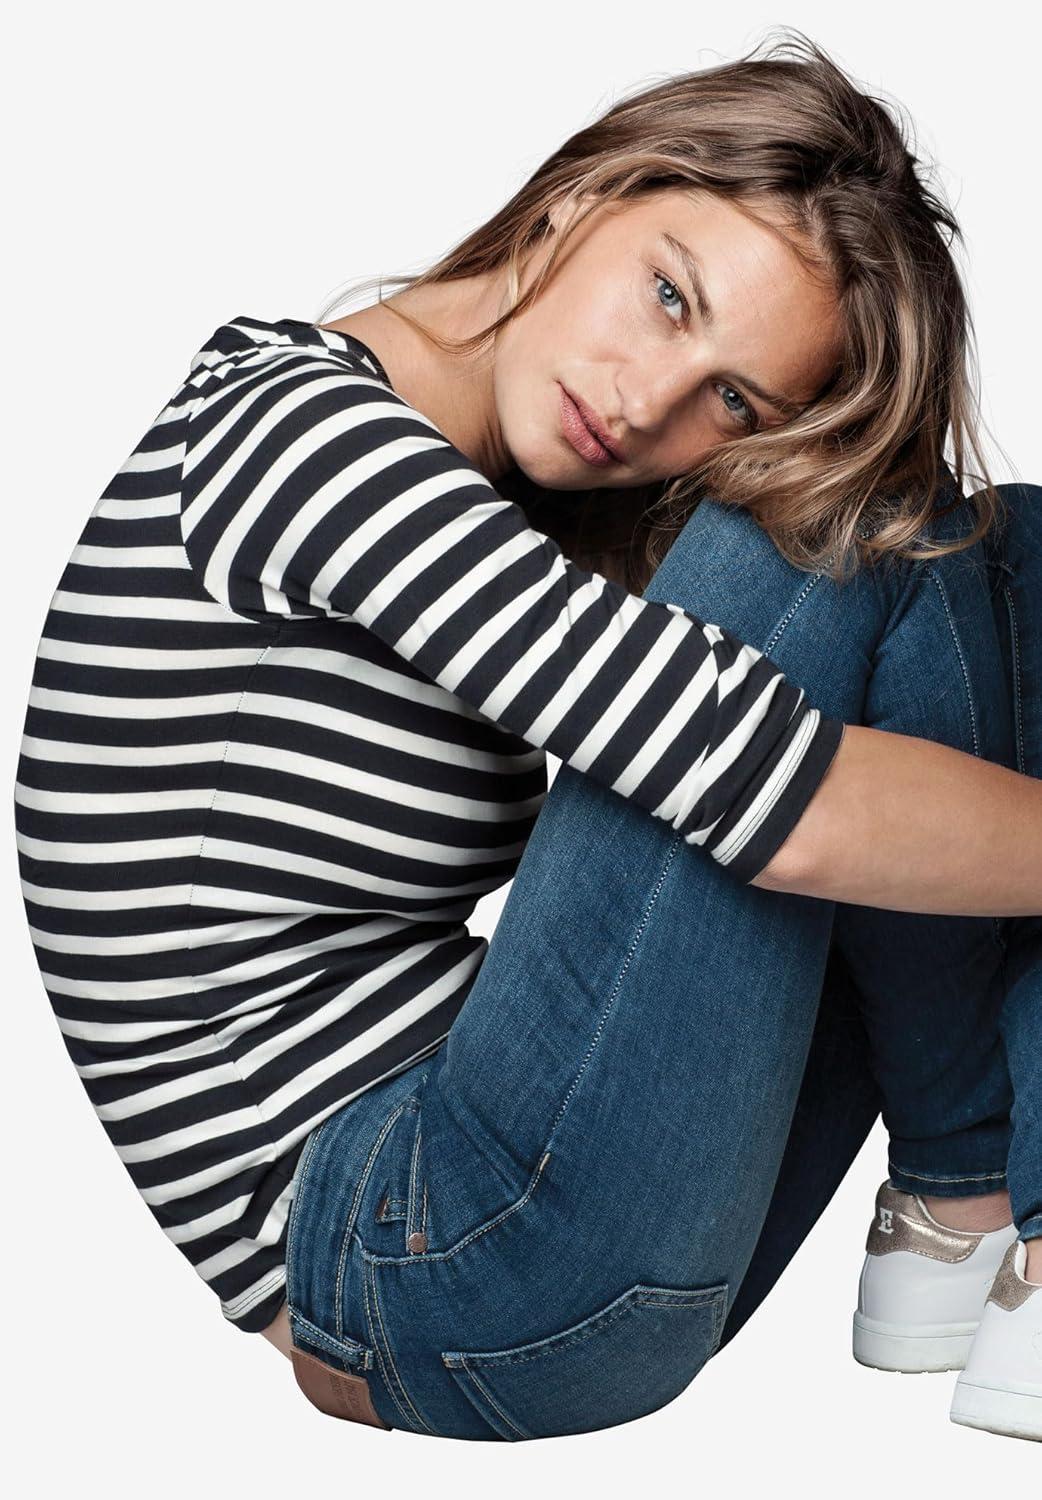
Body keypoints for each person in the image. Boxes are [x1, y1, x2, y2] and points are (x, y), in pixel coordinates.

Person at [13, 31, 1041, 1443]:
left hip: (550, 1231)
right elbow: (784, 801)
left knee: (999, 554)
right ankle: (969, 1177)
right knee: (842, 532)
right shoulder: (297, 440)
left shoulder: (485, 502)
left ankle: (957, 1210)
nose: (644, 401)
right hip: (428, 1267)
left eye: (731, 400)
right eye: (669, 295)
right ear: (581, 197)